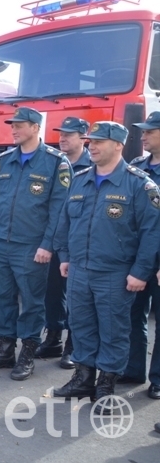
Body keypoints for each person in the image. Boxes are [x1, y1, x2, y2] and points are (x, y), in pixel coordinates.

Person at [52, 121, 160, 413]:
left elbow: (152, 232)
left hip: (115, 272)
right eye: (90, 141)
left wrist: (140, 272)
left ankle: (106, 387)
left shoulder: (139, 184)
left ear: (118, 146)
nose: (92, 146)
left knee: (113, 330)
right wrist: (64, 256)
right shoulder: (81, 178)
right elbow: (65, 221)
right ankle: (84, 378)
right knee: (81, 325)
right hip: (80, 269)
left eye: (99, 141)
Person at [0, 107, 70, 381]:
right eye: (12, 125)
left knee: (31, 301)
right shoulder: (5, 161)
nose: (13, 129)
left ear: (35, 127)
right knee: (3, 298)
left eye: (19, 125)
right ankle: (5, 348)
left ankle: (28, 352)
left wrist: (48, 245)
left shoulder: (55, 162)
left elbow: (59, 210)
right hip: (1, 243)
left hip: (32, 246)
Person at [36, 117, 91, 368]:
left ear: (83, 137)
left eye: (69, 134)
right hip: (56, 238)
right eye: (61, 133)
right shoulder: (54, 163)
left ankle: (73, 345)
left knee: (76, 296)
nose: (62, 138)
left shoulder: (92, 165)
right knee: (52, 292)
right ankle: (53, 338)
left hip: (79, 243)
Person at [122, 111, 160, 400]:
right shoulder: (136, 166)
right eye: (142, 131)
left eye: (149, 131)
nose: (142, 136)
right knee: (133, 315)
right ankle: (133, 368)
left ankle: (158, 379)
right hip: (136, 257)